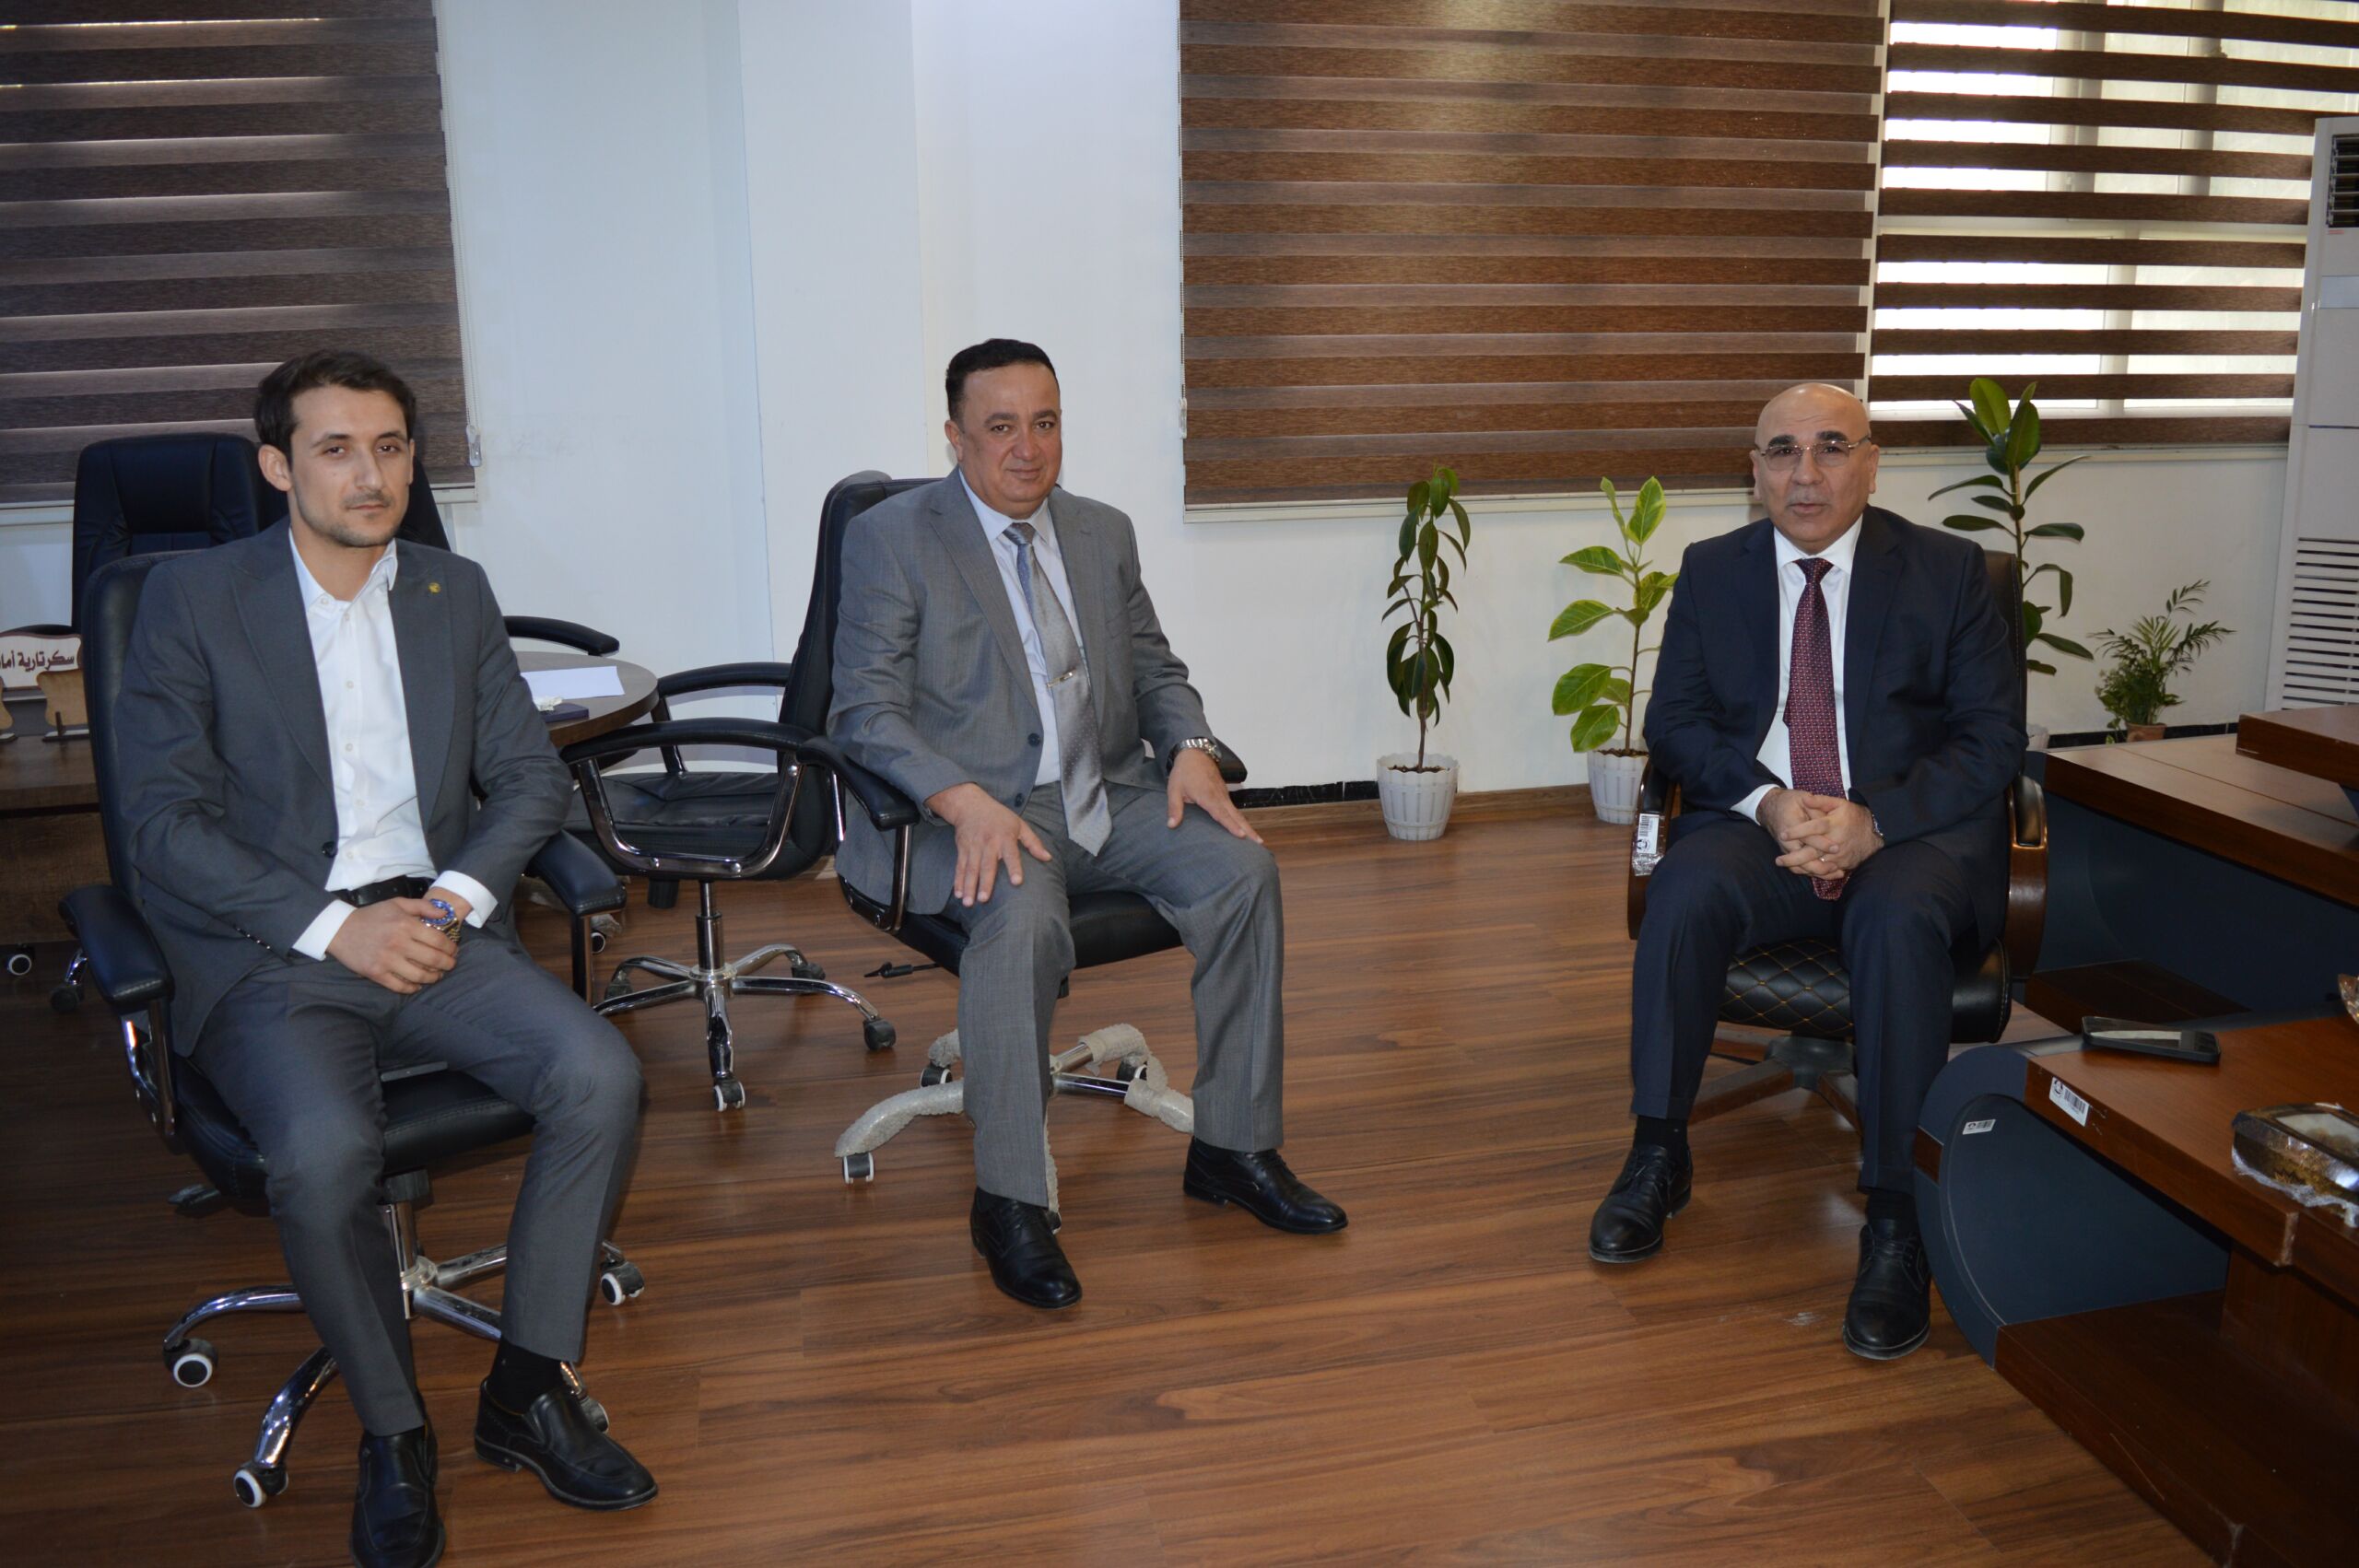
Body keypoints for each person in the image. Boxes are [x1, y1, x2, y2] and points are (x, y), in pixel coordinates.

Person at [116, 350, 656, 1567]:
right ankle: (394, 1431)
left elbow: (527, 779)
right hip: (275, 950)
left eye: (392, 447)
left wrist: (452, 900)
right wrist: (332, 927)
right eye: (337, 449)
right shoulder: (192, 598)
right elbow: (160, 825)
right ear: (277, 466)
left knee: (599, 1074)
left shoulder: (452, 591)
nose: (372, 475)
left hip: (433, 928)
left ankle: (527, 1387)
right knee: (321, 1151)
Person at [829, 338, 1347, 1309]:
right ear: (954, 437)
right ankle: (1010, 1200)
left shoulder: (1102, 532)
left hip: (1106, 792)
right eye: (999, 427)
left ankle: (1232, 1147)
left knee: (1243, 874)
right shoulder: (894, 538)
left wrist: (1190, 743)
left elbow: (1154, 667)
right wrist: (958, 796)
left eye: (1045, 422)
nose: (1026, 448)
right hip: (976, 809)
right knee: (1022, 914)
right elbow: (863, 710)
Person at [1590, 383, 2023, 1360]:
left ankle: (1896, 1219)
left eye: (1831, 447)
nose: (1806, 472)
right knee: (1687, 887)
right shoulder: (1713, 571)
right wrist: (1768, 800)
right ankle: (1657, 1151)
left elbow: (1992, 737)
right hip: (1769, 824)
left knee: (1896, 920)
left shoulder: (1950, 572)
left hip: (1907, 834)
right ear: (1754, 472)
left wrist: (1876, 820)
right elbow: (1675, 725)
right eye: (1782, 451)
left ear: (1871, 462)